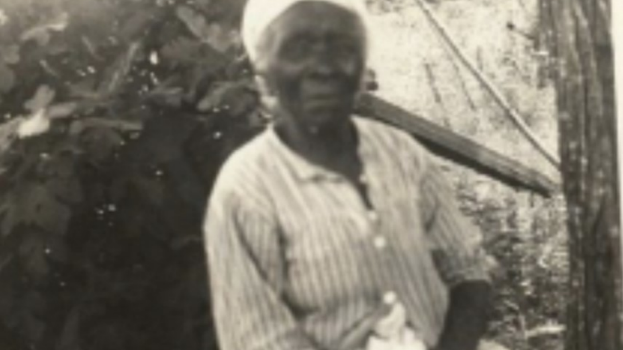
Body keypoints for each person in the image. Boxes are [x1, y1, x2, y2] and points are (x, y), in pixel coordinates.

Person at [203, 0, 496, 349]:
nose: (323, 68)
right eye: (298, 48)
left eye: (342, 48)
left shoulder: (402, 155)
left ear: (362, 69)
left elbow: (469, 274)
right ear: (264, 71)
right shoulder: (245, 190)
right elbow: (259, 339)